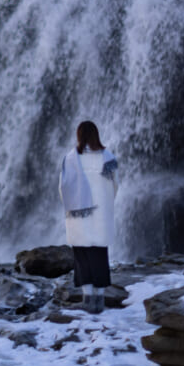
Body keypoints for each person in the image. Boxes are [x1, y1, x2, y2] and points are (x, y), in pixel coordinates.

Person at [59, 120, 118, 314]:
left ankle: (87, 299)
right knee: (100, 254)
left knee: (82, 255)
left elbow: (63, 187)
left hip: (78, 214)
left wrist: (71, 206)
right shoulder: (107, 156)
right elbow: (114, 185)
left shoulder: (70, 158)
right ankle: (99, 300)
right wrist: (108, 204)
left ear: (79, 136)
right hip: (101, 212)